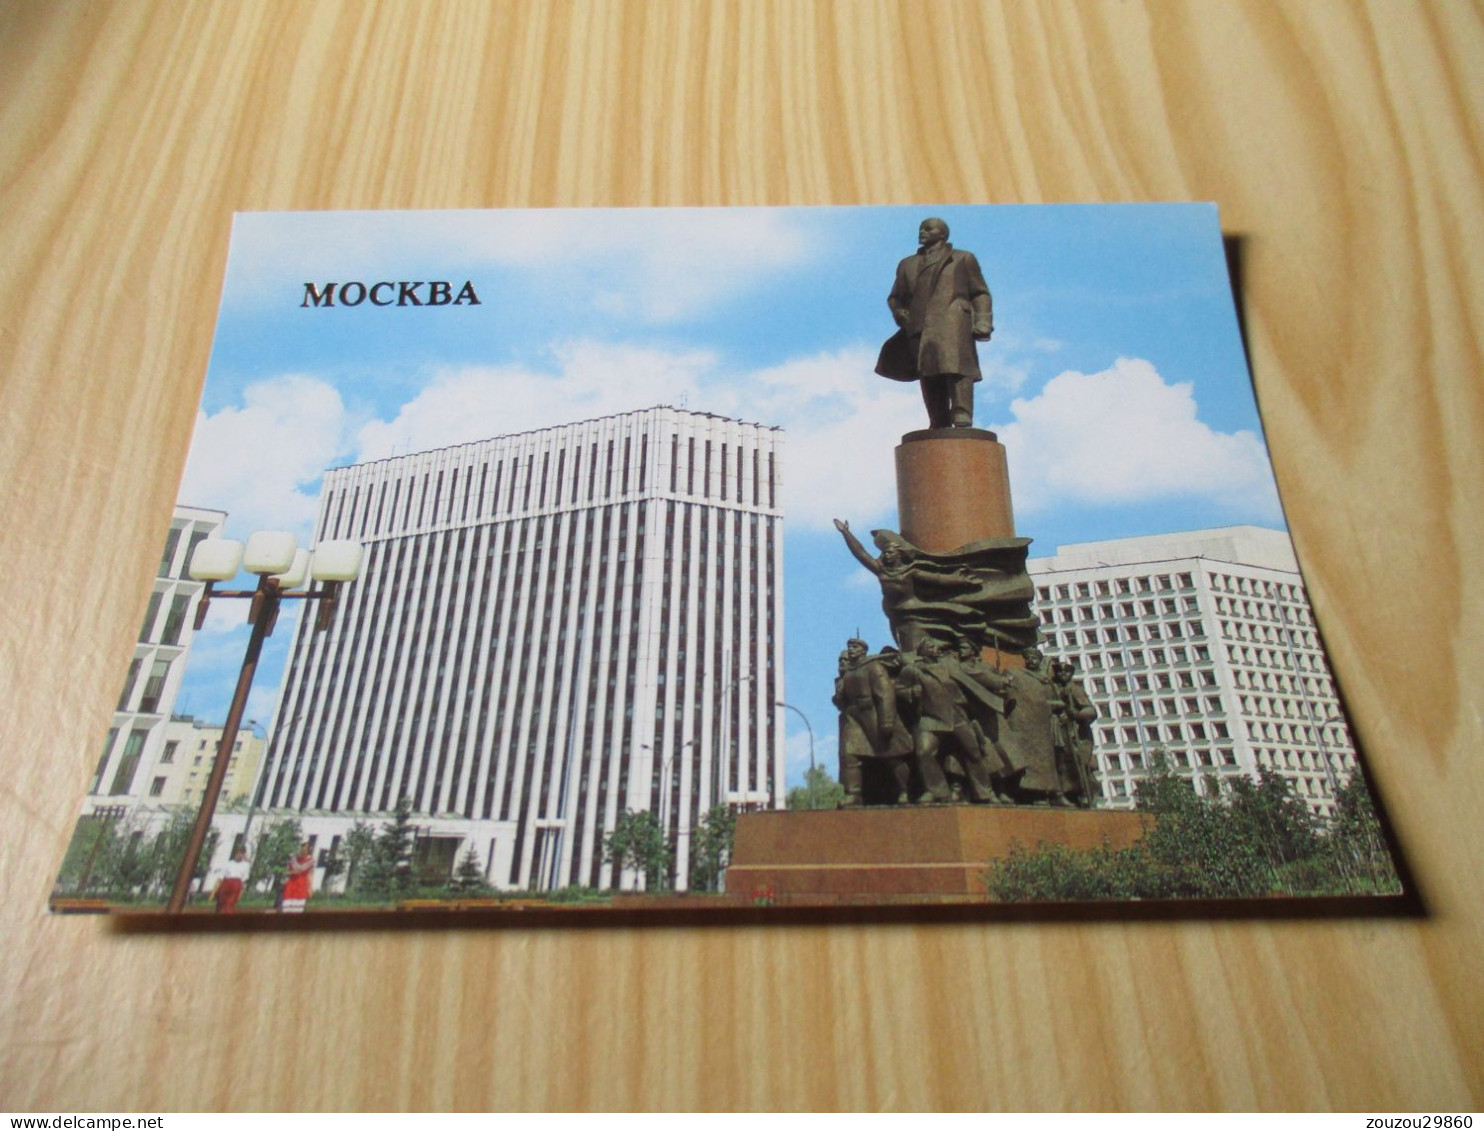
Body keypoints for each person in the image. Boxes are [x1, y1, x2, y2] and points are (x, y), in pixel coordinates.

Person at [875, 217, 994, 429]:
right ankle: (938, 420)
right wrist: (899, 312)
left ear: (942, 234)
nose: (922, 232)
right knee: (928, 374)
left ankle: (961, 413)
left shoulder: (962, 259)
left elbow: (980, 293)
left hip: (953, 320)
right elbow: (895, 297)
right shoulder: (907, 264)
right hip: (918, 326)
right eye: (921, 228)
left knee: (957, 368)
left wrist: (983, 321)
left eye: (928, 229)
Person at [1051, 660, 1101, 807]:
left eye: (1066, 671)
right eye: (1059, 671)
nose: (1062, 674)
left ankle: (1084, 795)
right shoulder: (1054, 689)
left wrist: (1076, 714)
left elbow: (1091, 711)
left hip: (1076, 735)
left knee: (1079, 766)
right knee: (1063, 766)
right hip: (1060, 732)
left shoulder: (1075, 689)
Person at [211, 845, 250, 914]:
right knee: (221, 903)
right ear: (235, 853)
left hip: (236, 884)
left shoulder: (245, 865)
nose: (240, 855)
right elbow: (220, 877)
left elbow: (244, 881)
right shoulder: (228, 863)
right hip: (226, 883)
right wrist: (214, 891)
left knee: (229, 904)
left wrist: (241, 893)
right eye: (238, 853)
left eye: (242, 853)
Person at [281, 841, 314, 913]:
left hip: (301, 887)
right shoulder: (293, 859)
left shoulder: (310, 861)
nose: (303, 850)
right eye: (302, 848)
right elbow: (286, 872)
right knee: (286, 908)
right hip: (291, 885)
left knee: (297, 910)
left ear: (308, 851)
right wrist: (293, 872)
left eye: (306, 849)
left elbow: (310, 874)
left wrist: (310, 888)